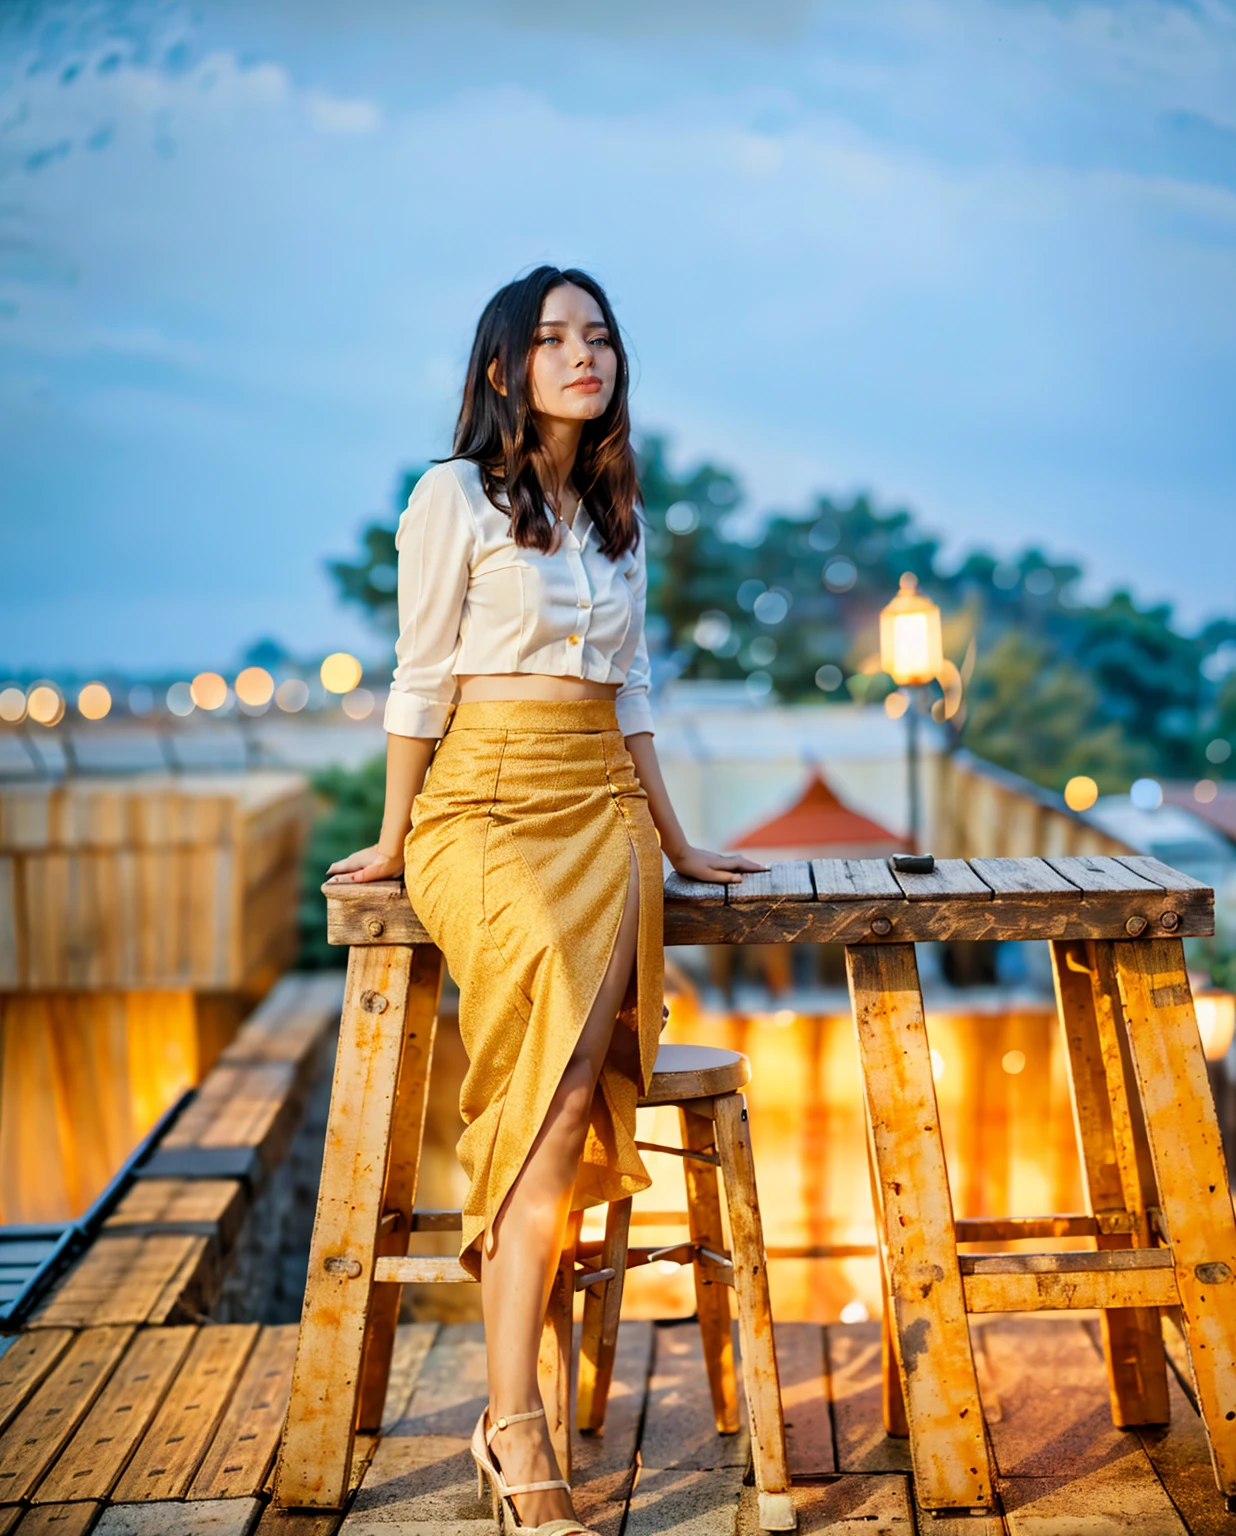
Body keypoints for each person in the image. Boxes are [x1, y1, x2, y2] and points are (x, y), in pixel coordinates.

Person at [328, 265, 764, 1536]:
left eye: (602, 338)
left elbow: (631, 696)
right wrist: (396, 832)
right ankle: (515, 1416)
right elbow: (419, 680)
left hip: (607, 813)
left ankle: (506, 1410)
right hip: (485, 804)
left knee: (574, 1088)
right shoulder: (450, 496)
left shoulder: (620, 515)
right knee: (551, 1069)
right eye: (556, 338)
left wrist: (678, 842)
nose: (586, 356)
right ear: (502, 367)